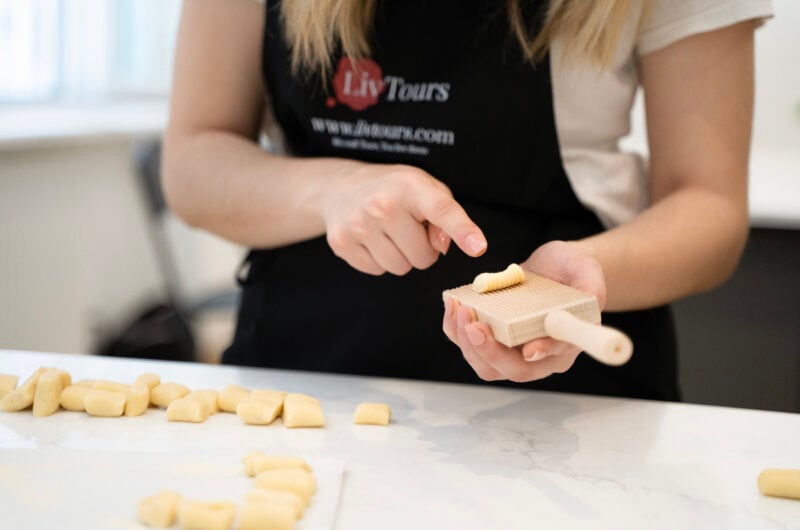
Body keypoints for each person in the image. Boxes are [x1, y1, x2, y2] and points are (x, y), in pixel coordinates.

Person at [162, 0, 773, 401]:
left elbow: (708, 205)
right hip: (307, 381)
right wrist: (332, 190)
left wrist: (588, 276)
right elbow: (193, 164)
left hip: (572, 406)